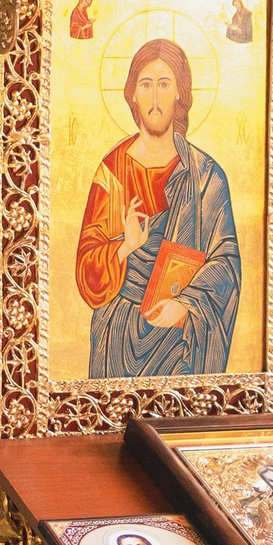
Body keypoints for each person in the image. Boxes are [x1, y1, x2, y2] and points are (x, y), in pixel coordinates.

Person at [74, 39, 241, 378]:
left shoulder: (205, 176)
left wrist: (185, 305)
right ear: (132, 94)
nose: (153, 99)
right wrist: (125, 247)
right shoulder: (113, 172)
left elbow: (227, 264)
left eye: (164, 85)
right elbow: (87, 270)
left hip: (179, 341)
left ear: (180, 93)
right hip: (117, 338)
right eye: (145, 85)